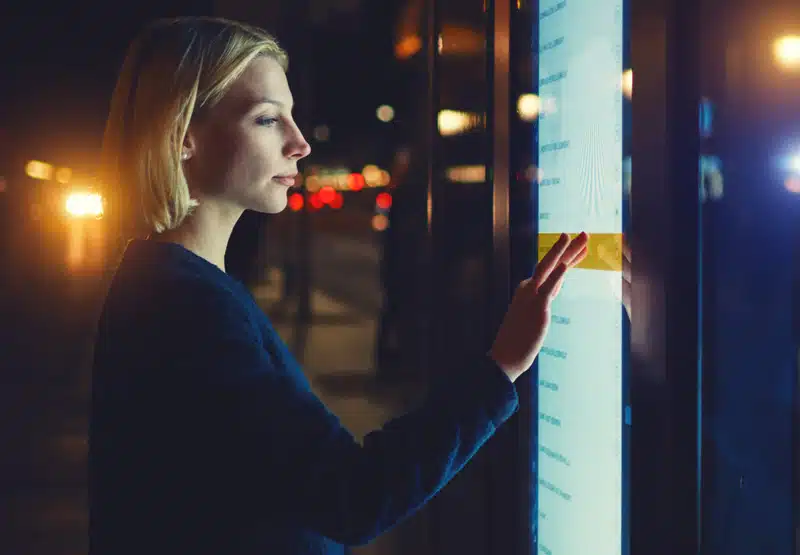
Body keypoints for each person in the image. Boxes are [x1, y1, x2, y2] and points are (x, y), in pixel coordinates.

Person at [88, 16, 589, 555]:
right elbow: (353, 496)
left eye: (292, 118)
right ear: (183, 137)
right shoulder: (186, 306)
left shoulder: (175, 286)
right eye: (266, 120)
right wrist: (503, 366)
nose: (299, 144)